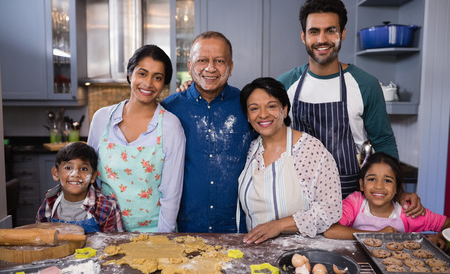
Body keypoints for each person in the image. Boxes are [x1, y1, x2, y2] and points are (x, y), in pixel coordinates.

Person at [277, 0, 424, 217]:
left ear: (343, 34)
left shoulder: (365, 84)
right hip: (296, 193)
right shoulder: (286, 84)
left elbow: (382, 140)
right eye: (314, 31)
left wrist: (399, 190)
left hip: (347, 197)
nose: (322, 39)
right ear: (303, 36)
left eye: (331, 30)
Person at [161, 31, 254, 233]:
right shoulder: (168, 109)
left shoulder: (248, 106)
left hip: (239, 229)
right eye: (202, 60)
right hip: (183, 229)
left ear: (230, 67)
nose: (210, 68)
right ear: (189, 65)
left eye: (219, 61)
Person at [87, 45, 186, 232]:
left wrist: (163, 239)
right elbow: (90, 178)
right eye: (142, 74)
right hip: (104, 229)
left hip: (152, 232)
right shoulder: (102, 119)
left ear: (164, 83)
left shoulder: (170, 126)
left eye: (157, 78)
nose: (148, 83)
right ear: (130, 74)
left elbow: (171, 192)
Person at [238, 77, 342, 244]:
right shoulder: (251, 149)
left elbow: (330, 211)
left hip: (302, 254)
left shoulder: (310, 150)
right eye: (254, 108)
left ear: (284, 110)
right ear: (248, 116)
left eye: (271, 106)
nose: (263, 114)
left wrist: (279, 225)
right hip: (256, 254)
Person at [323, 152, 450, 250]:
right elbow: (330, 230)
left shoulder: (408, 212)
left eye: (388, 180)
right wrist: (376, 235)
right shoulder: (355, 202)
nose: (379, 186)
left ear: (397, 188)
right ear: (362, 185)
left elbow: (447, 224)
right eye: (372, 179)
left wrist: (442, 236)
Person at [36, 142, 124, 233]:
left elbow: (115, 242)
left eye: (83, 169)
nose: (75, 174)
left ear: (93, 176)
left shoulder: (106, 207)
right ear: (56, 173)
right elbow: (41, 239)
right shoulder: (49, 204)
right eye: (68, 168)